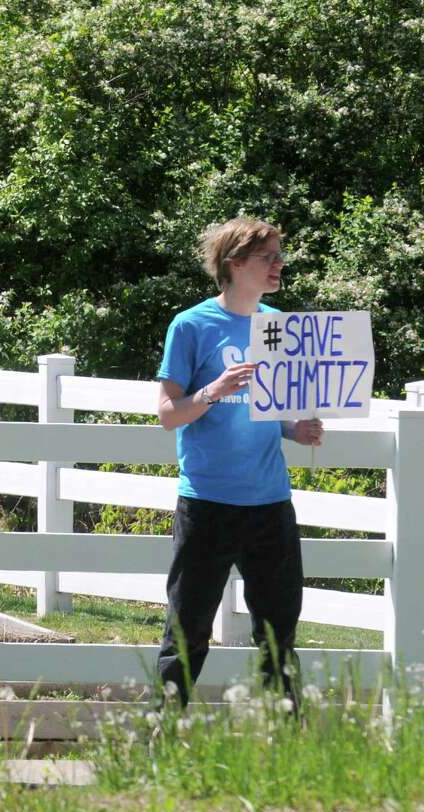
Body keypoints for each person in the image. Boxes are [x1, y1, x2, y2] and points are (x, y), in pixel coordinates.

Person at [155, 217, 325, 707]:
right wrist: (213, 389)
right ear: (234, 263)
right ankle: (165, 730)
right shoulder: (191, 325)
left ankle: (283, 734)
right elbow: (167, 415)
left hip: (270, 503)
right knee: (187, 631)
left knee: (278, 636)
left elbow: (269, 409)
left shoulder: (279, 325)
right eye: (268, 257)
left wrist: (296, 430)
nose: (279, 264)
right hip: (207, 502)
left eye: (279, 256)